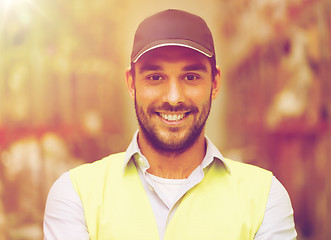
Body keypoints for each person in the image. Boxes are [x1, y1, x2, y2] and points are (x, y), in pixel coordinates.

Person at [43, 9, 297, 240]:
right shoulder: (76, 194)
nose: (173, 97)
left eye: (190, 76)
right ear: (131, 84)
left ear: (215, 83)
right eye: (155, 77)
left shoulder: (264, 198)